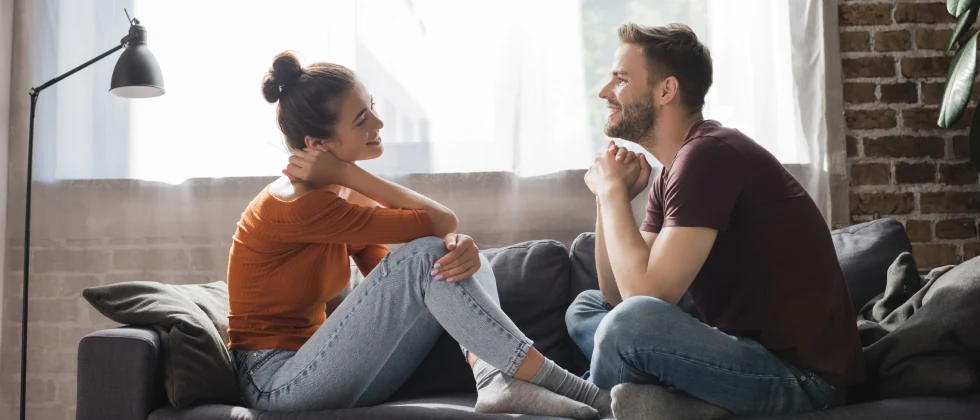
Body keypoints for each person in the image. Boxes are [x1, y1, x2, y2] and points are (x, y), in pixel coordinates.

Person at [225, 51, 611, 419]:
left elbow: (393, 272)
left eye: (372, 107)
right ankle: (589, 395)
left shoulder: (335, 198)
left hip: (320, 367)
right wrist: (348, 173)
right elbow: (441, 220)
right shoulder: (300, 205)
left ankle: (495, 381)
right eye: (362, 120)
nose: (378, 124)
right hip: (275, 384)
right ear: (317, 145)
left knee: (453, 254)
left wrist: (455, 252)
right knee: (433, 250)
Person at [565, 23, 865, 418]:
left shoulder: (708, 155)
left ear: (666, 90)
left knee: (626, 328)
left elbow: (642, 302)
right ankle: (676, 406)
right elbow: (616, 295)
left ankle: (592, 400)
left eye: (620, 80)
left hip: (805, 381)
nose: (605, 92)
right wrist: (608, 199)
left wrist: (611, 191)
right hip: (741, 356)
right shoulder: (674, 170)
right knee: (586, 307)